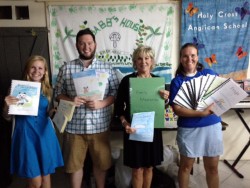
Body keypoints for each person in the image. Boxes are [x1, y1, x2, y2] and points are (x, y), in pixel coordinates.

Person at [54, 28, 119, 188]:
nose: (86, 47)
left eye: (89, 43)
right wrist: (70, 100)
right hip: (74, 126)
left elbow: (115, 93)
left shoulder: (107, 68)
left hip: (100, 126)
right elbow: (57, 93)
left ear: (95, 44)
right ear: (77, 46)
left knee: (101, 164)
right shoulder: (66, 68)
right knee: (75, 166)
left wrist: (101, 104)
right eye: (82, 43)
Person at [3, 55, 64, 188]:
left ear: (45, 71)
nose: (37, 71)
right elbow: (7, 117)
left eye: (40, 68)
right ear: (27, 69)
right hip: (25, 136)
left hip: (44, 135)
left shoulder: (47, 90)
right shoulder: (15, 88)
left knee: (46, 176)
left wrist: (53, 112)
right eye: (33, 67)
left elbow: (46, 112)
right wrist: (7, 105)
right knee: (36, 182)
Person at [169, 43, 223, 188]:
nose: (189, 59)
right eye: (185, 56)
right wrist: (200, 113)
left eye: (192, 55)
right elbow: (177, 109)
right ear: (181, 59)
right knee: (186, 167)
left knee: (212, 168)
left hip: (212, 126)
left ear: (197, 57)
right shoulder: (177, 81)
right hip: (189, 129)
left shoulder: (209, 74)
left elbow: (222, 94)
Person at [115, 45, 169, 188]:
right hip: (134, 129)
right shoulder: (127, 81)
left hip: (153, 130)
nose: (143, 61)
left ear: (152, 61)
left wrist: (166, 99)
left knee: (150, 167)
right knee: (137, 169)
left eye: (147, 58)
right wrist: (125, 124)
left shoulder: (158, 82)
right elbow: (119, 108)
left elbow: (163, 107)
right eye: (139, 58)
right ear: (135, 62)